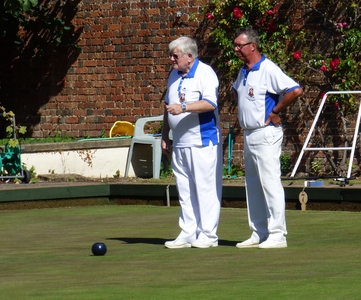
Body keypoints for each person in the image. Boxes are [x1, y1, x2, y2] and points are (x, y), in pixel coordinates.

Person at [232, 28, 303, 249]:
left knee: (270, 183)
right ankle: (258, 232)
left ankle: (278, 234)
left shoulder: (268, 68)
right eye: (235, 45)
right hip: (249, 132)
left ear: (252, 45)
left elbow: (294, 89)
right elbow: (237, 92)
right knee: (252, 184)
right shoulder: (243, 71)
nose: (236, 49)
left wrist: (276, 111)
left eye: (239, 45)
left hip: (266, 133)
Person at [161, 36, 223, 249]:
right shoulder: (173, 75)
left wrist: (184, 107)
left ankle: (208, 235)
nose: (171, 59)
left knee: (205, 188)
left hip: (202, 140)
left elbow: (210, 104)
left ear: (189, 56)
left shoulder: (206, 73)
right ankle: (188, 232)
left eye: (175, 55)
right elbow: (167, 106)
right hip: (179, 142)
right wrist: (164, 134)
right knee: (184, 188)